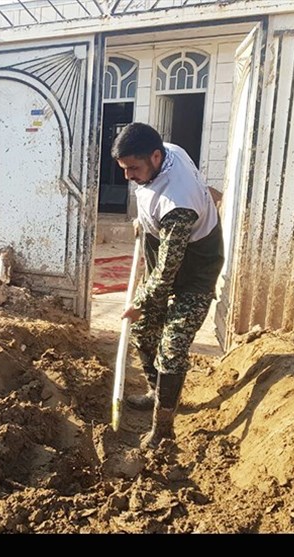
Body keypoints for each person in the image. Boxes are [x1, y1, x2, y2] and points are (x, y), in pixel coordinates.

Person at [112, 122, 224, 448]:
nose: (128, 176)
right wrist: (143, 219)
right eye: (123, 168)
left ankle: (163, 429)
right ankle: (156, 389)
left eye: (133, 168)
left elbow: (165, 275)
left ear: (155, 157)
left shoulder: (179, 205)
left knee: (172, 348)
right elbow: (150, 193)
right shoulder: (168, 152)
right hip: (163, 253)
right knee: (143, 330)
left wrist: (139, 302)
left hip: (196, 270)